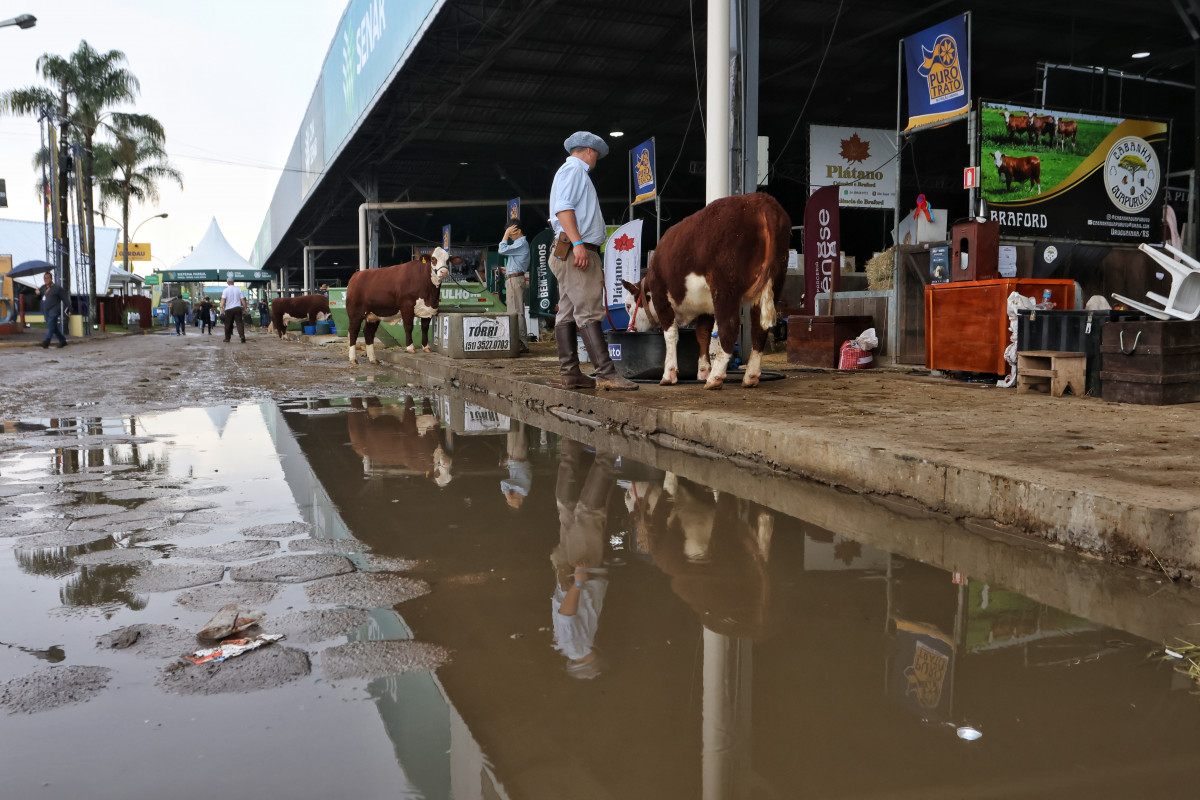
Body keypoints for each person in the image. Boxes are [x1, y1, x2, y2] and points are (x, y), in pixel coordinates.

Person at [548, 131, 636, 390]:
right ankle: (606, 373)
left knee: (566, 312)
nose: (596, 158)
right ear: (588, 151)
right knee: (588, 311)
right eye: (596, 153)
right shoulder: (575, 171)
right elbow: (563, 209)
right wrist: (578, 244)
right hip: (577, 249)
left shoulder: (570, 172)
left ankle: (571, 373)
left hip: (567, 250)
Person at [549, 437, 618, 679]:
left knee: (587, 514)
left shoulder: (578, 647)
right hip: (566, 570)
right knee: (566, 510)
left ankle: (608, 450)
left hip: (581, 572)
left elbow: (566, 616)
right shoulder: (563, 646)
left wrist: (579, 581)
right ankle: (569, 447)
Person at [498, 221, 531, 353]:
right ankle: (517, 341)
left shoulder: (521, 243)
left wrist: (505, 236)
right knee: (513, 312)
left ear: (518, 231)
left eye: (511, 233)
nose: (510, 236)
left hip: (515, 280)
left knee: (517, 312)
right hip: (514, 277)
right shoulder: (519, 244)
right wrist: (509, 269)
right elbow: (517, 261)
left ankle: (522, 342)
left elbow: (501, 249)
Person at [499, 421, 532, 509]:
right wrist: (508, 498)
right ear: (520, 500)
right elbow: (504, 483)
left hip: (513, 457)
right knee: (520, 426)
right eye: (514, 496)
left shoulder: (518, 488)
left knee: (511, 427)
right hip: (519, 455)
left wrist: (508, 463)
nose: (512, 494)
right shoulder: (523, 490)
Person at [37, 271, 70, 349]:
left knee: (51, 324)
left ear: (51, 278)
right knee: (53, 327)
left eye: (48, 278)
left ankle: (46, 341)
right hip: (46, 310)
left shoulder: (57, 288)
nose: (46, 279)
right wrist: (38, 293)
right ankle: (63, 341)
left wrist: (69, 309)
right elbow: (38, 298)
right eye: (45, 278)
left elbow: (65, 298)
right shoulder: (43, 288)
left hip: (55, 309)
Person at [219, 277, 248, 343]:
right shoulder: (239, 290)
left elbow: (223, 299)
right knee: (239, 322)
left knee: (228, 323)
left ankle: (227, 338)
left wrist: (221, 308)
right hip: (237, 308)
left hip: (228, 309)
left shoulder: (225, 290)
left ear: (227, 282)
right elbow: (243, 299)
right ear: (233, 282)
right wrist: (245, 308)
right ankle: (242, 336)